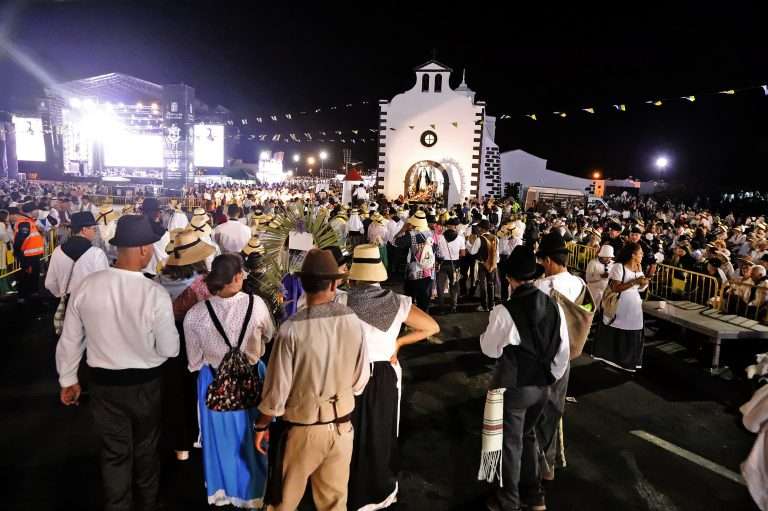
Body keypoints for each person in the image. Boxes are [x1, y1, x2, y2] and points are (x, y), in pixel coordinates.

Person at [55, 215, 180, 511]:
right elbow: (170, 349)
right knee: (146, 449)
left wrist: (68, 380)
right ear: (143, 249)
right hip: (145, 385)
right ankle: (148, 503)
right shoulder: (154, 293)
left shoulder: (87, 286)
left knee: (114, 452)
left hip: (103, 385)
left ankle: (118, 505)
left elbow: (70, 339)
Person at [253, 249, 370, 511]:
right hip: (342, 428)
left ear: (303, 285)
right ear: (333, 284)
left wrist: (261, 425)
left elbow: (277, 392)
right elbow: (360, 379)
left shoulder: (291, 328)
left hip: (303, 430)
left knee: (282, 503)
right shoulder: (352, 320)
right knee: (334, 504)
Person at [345, 244, 439, 510]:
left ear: (354, 273)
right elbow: (432, 327)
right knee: (382, 432)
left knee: (351, 433)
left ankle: (349, 489)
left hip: (350, 375)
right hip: (385, 374)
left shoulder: (341, 301)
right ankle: (379, 491)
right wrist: (398, 343)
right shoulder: (398, 302)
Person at [480, 245, 569, 511]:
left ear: (509, 278)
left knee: (510, 443)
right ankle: (535, 495)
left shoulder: (504, 311)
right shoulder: (554, 305)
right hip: (543, 385)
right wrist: (549, 378)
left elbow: (489, 349)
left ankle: (509, 500)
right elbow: (562, 351)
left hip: (515, 387)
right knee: (529, 436)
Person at [183, 254, 275, 508]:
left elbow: (194, 361)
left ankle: (223, 492)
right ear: (236, 277)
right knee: (254, 437)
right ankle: (255, 492)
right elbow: (269, 335)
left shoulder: (195, 314)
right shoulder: (256, 305)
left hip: (214, 383)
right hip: (253, 379)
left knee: (221, 442)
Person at [157, 229, 215, 461]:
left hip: (168, 342)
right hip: (199, 343)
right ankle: (200, 437)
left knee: (174, 392)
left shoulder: (159, 281)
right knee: (197, 390)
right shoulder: (204, 285)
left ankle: (180, 446)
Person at [534, 230, 585, 481]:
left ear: (549, 260)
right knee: (554, 409)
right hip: (566, 356)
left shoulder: (540, 287)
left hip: (541, 358)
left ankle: (537, 466)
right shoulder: (579, 284)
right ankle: (549, 465)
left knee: (535, 412)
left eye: (542, 261)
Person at [591, 242, 649, 372]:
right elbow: (615, 287)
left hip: (634, 304)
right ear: (633, 255)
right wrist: (635, 281)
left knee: (634, 330)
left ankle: (628, 362)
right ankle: (611, 359)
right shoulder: (618, 267)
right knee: (617, 328)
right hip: (620, 303)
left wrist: (644, 283)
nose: (642, 255)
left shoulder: (639, 266)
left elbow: (640, 288)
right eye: (640, 253)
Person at [44, 211, 109, 299]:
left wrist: (61, 294)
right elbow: (103, 283)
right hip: (88, 301)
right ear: (84, 230)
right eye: (94, 229)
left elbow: (50, 283)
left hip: (66, 300)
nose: (95, 232)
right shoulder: (97, 253)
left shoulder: (57, 251)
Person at [393, 210, 435, 312]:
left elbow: (395, 242)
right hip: (429, 270)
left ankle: (413, 316)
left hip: (415, 272)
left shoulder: (411, 235)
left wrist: (403, 229)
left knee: (410, 297)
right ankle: (424, 316)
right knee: (424, 299)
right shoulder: (431, 233)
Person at [11, 201, 45, 306]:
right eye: (36, 210)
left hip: (33, 255)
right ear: (31, 211)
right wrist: (18, 253)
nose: (38, 212)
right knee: (26, 277)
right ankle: (23, 298)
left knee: (32, 277)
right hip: (28, 256)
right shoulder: (25, 223)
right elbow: (19, 240)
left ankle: (32, 295)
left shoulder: (30, 221)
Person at [435, 217, 466, 313]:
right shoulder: (460, 238)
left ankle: (441, 308)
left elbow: (436, 251)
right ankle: (454, 306)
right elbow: (463, 254)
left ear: (447, 226)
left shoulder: (440, 237)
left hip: (442, 264)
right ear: (455, 226)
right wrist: (455, 254)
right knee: (454, 285)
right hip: (454, 264)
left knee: (440, 287)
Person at [469, 219, 499, 312]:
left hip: (482, 264)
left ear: (482, 228)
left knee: (483, 285)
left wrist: (469, 244)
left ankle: (484, 306)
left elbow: (473, 252)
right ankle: (492, 305)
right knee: (491, 284)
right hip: (493, 264)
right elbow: (497, 253)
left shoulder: (479, 239)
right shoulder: (495, 238)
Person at [585, 245, 615, 309]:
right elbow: (587, 278)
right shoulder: (593, 263)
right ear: (601, 255)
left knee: (601, 310)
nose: (608, 259)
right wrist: (600, 276)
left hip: (605, 292)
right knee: (590, 309)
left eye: (610, 257)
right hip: (593, 291)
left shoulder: (613, 264)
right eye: (605, 257)